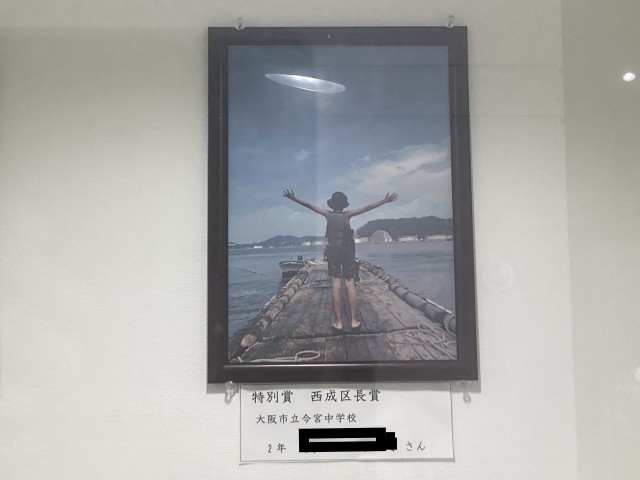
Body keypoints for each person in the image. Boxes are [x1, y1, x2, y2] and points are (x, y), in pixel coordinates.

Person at [283, 189, 398, 332]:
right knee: (350, 284)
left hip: (333, 253)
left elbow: (309, 206)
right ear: (344, 205)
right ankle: (354, 322)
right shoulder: (348, 215)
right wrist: (384, 201)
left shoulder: (327, 214)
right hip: (347, 252)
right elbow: (367, 208)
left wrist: (294, 199)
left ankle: (338, 323)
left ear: (332, 204)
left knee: (335, 285)